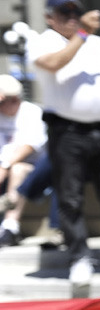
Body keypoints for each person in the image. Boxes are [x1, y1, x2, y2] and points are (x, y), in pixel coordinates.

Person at [26, 0, 100, 289]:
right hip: (67, 131)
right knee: (69, 198)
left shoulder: (94, 42)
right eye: (64, 13)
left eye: (75, 11)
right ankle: (79, 257)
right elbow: (53, 64)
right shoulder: (43, 41)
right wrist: (83, 31)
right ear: (49, 18)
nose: (72, 18)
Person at [0, 74, 47, 247]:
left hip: (32, 168)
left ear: (14, 100)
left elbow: (30, 146)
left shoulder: (32, 112)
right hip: (3, 167)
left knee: (17, 169)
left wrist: (4, 166)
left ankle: (10, 227)